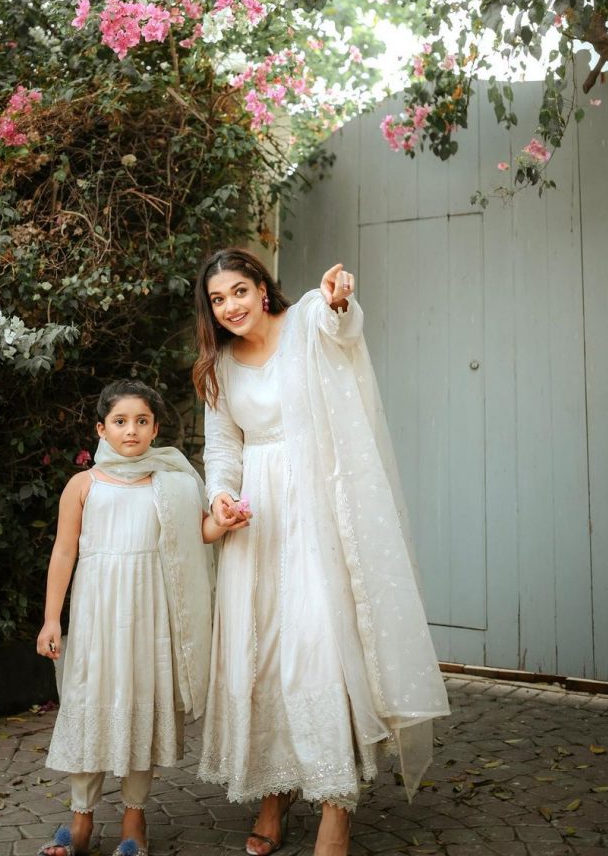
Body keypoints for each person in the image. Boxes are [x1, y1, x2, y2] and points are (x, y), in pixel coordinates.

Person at [193, 248, 450, 856]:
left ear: (261, 286)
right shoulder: (218, 367)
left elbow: (342, 330)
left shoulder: (307, 318)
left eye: (238, 291)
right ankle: (271, 794)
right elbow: (223, 447)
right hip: (257, 522)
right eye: (217, 299)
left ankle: (336, 809)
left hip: (315, 512)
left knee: (318, 651)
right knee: (260, 656)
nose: (230, 307)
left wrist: (339, 303)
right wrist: (223, 498)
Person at [36, 379, 231, 856]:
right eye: (120, 422)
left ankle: (133, 821)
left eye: (142, 421)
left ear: (155, 428)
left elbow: (196, 534)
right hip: (99, 615)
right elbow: (64, 552)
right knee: (91, 704)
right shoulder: (83, 485)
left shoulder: (173, 482)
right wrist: (51, 619)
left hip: (151, 613)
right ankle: (80, 819)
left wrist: (221, 523)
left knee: (143, 707)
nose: (131, 431)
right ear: (101, 428)